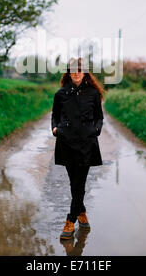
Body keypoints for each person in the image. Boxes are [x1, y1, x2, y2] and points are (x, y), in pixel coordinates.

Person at [51, 57, 105, 240]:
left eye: (80, 70)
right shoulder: (60, 94)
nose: (76, 73)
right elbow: (54, 116)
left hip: (86, 144)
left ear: (85, 72)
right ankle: (81, 212)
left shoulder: (93, 94)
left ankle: (70, 221)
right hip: (66, 143)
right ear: (68, 72)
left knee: (79, 183)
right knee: (74, 183)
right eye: (73, 70)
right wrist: (55, 129)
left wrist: (96, 129)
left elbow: (99, 117)